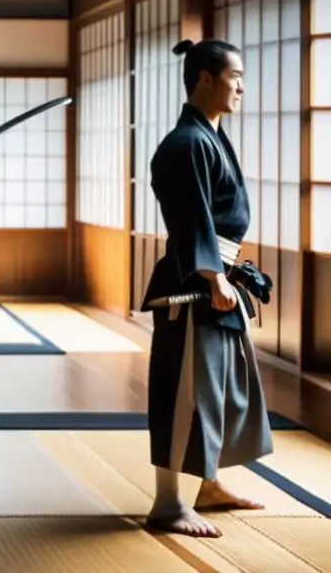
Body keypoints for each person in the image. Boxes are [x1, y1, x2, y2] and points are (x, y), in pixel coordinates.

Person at [142, 38, 274, 538]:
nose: (241, 85)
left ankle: (209, 483)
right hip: (194, 284)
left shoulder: (208, 136)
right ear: (204, 78)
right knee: (185, 390)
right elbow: (190, 213)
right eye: (234, 75)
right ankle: (167, 503)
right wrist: (212, 274)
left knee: (218, 387)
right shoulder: (187, 143)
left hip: (214, 276)